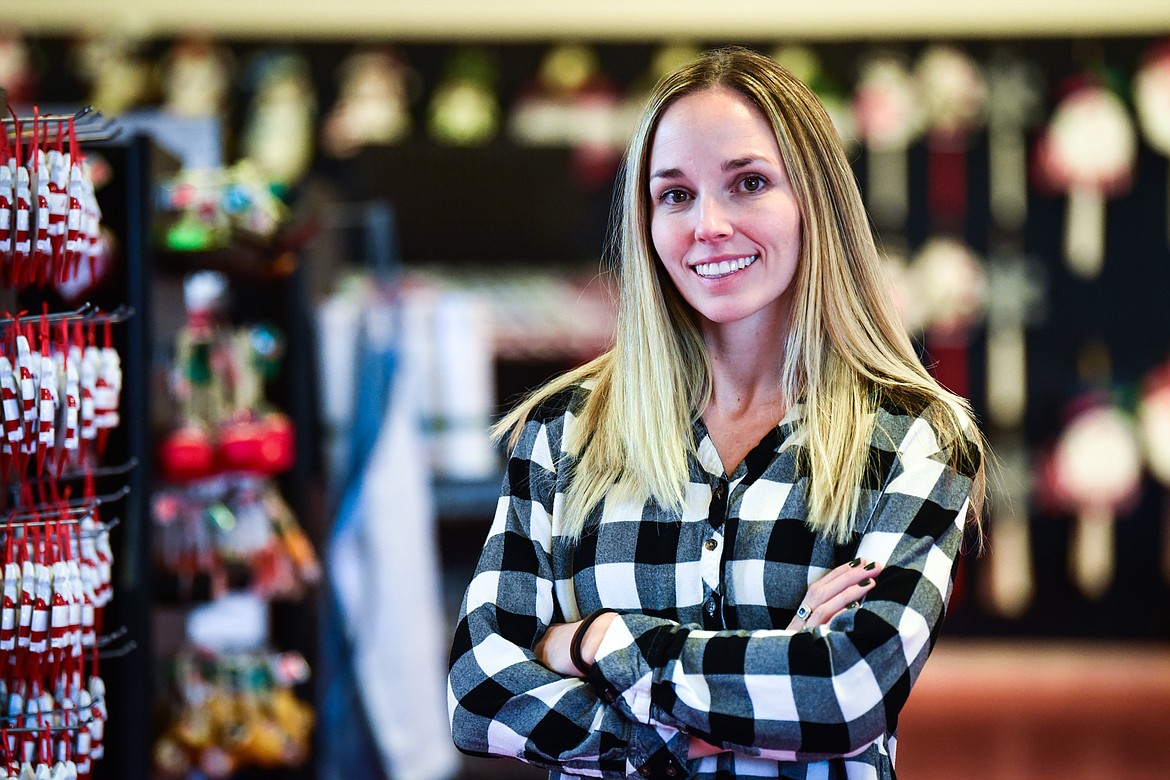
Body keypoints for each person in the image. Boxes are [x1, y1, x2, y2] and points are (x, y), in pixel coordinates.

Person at [448, 45, 985, 779]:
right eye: (674, 194)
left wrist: (592, 644)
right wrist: (760, 677)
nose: (708, 225)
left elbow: (846, 692)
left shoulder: (913, 437)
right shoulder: (564, 432)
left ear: (815, 202)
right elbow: (476, 694)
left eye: (749, 183)